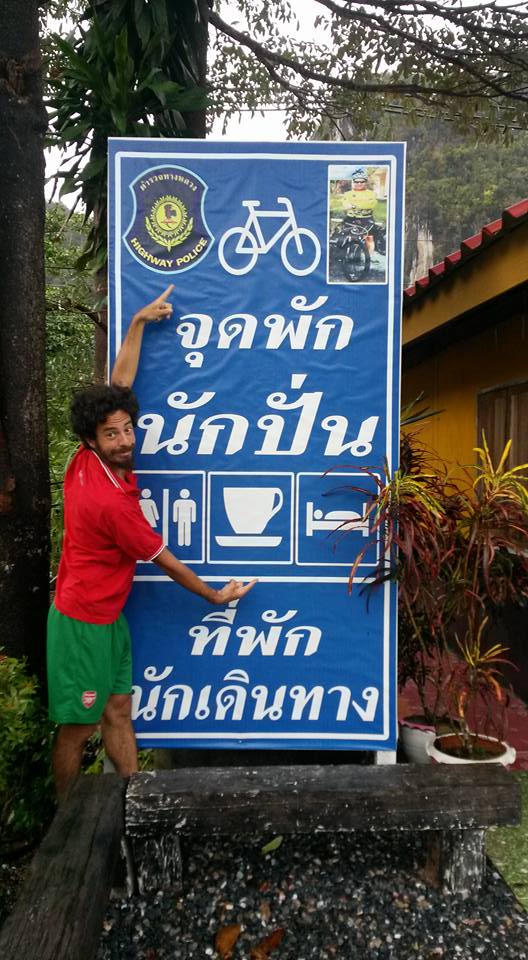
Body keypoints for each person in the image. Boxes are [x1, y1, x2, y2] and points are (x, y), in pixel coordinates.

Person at [47, 284, 256, 798]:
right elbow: (167, 562)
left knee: (119, 709)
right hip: (82, 623)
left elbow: (118, 383)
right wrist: (214, 596)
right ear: (94, 441)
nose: (125, 440)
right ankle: (65, 823)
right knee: (76, 728)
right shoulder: (112, 504)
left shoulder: (86, 458)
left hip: (107, 616)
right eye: (113, 435)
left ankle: (131, 800)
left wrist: (137, 323)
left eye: (127, 429)